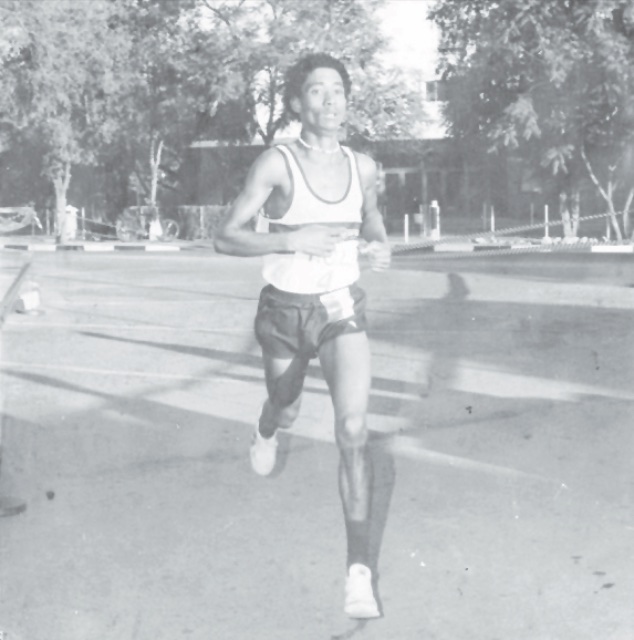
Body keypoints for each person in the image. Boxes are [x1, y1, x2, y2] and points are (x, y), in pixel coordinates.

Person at [214, 53, 391, 619]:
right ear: (296, 102)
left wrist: (379, 242)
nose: (330, 99)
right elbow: (226, 237)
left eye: (338, 89)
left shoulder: (364, 166)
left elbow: (371, 218)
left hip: (340, 309)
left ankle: (358, 573)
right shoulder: (277, 163)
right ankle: (267, 427)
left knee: (354, 429)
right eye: (317, 90)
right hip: (285, 311)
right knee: (286, 406)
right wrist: (291, 240)